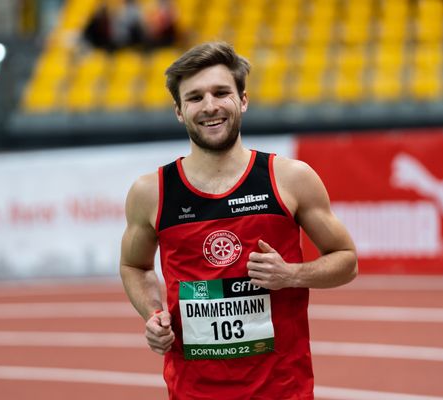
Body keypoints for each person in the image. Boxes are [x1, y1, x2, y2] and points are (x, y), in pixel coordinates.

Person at [119, 41, 358, 399]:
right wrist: (153, 314)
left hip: (282, 390)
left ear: (242, 100)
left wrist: (291, 274)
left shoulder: (289, 178)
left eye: (221, 93)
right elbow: (134, 266)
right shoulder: (151, 192)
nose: (210, 106)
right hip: (192, 391)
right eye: (195, 97)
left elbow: (347, 260)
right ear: (179, 111)